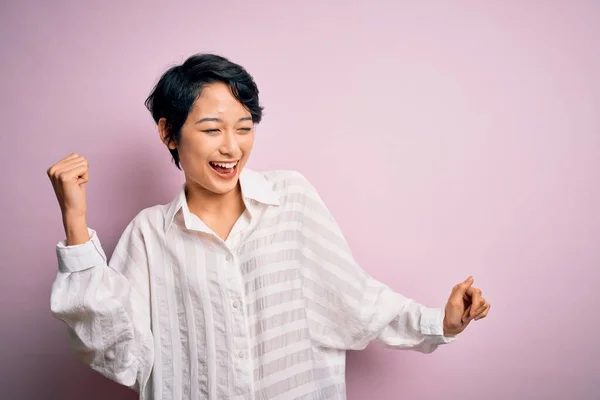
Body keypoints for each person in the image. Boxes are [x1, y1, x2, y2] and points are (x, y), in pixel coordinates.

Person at [47, 53, 490, 400]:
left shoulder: (291, 199)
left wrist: (441, 323)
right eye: (212, 129)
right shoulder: (148, 235)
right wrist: (76, 221)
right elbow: (121, 356)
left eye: (244, 128)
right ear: (169, 133)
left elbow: (355, 301)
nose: (232, 147)